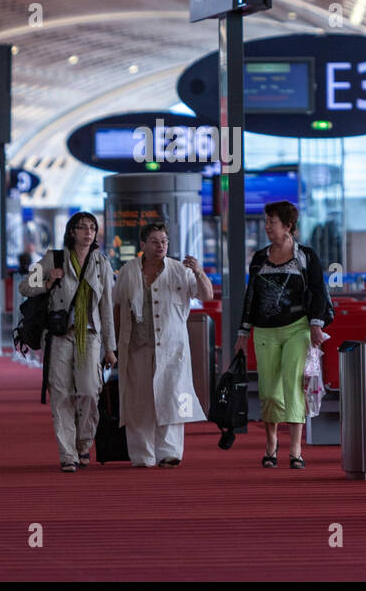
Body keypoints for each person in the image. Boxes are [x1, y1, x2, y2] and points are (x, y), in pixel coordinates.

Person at [234, 200, 333, 470]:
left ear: (288, 226)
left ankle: (296, 449)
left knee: (292, 386)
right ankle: (271, 443)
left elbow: (319, 291)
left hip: (297, 328)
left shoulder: (306, 256)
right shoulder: (258, 258)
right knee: (269, 390)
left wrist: (316, 324)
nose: (267, 227)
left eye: (272, 222)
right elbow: (250, 297)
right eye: (266, 222)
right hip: (264, 330)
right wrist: (243, 331)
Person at [20, 212, 116, 472]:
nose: (88, 232)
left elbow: (106, 307)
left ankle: (84, 443)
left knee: (88, 391)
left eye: (92, 228)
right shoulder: (54, 257)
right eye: (82, 227)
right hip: (59, 335)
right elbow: (25, 287)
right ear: (72, 232)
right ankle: (68, 454)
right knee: (60, 393)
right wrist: (49, 280)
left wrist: (110, 348)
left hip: (90, 335)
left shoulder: (102, 264)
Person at [112, 223, 211, 468]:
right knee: (138, 400)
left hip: (171, 347)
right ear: (143, 245)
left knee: (172, 396)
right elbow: (117, 307)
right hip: (136, 346)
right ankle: (142, 455)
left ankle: (169, 452)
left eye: (164, 241)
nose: (161, 246)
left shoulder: (180, 270)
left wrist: (199, 272)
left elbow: (206, 295)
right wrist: (112, 345)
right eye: (155, 242)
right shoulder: (128, 271)